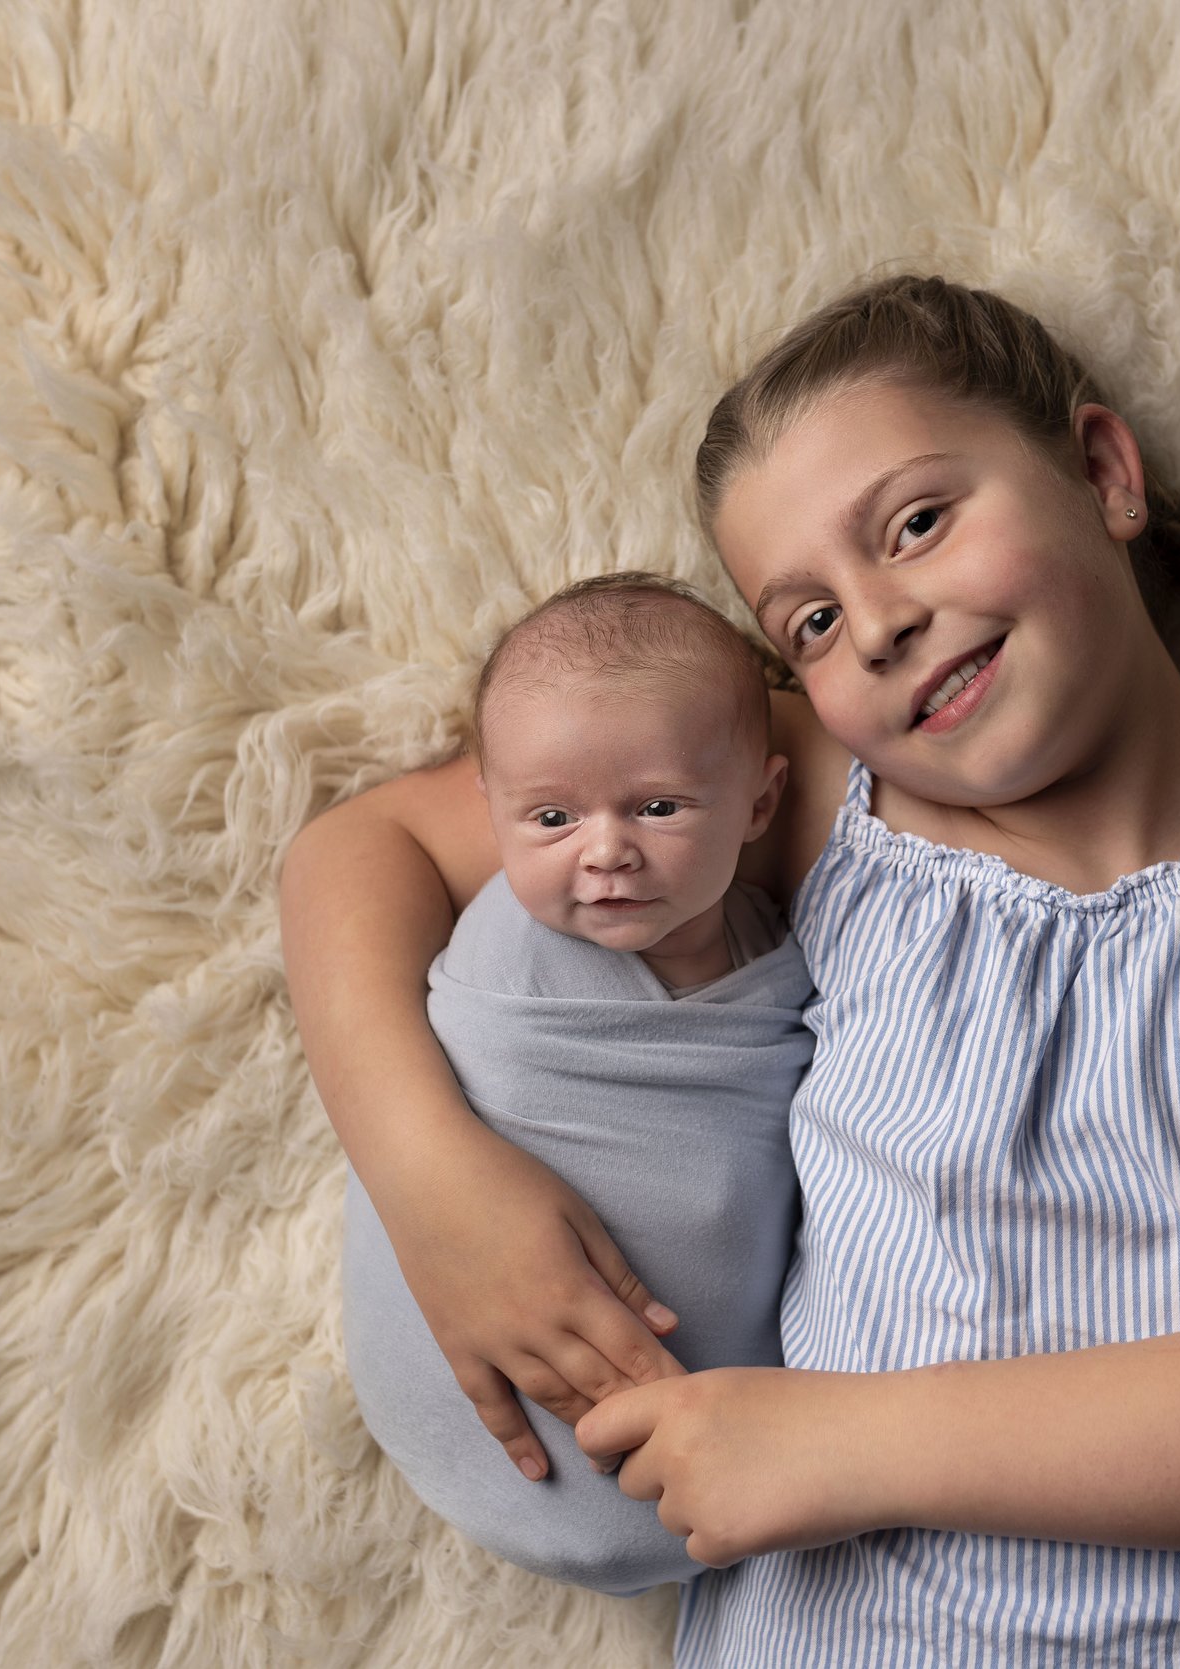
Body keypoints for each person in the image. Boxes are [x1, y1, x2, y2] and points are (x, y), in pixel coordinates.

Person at [280, 274, 1180, 1664]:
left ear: (1104, 474)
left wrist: (844, 1440)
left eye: (920, 524)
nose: (876, 622)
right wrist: (431, 1179)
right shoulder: (821, 804)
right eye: (807, 622)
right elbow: (360, 850)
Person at [337, 573, 813, 1596]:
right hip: (491, 1380)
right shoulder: (500, 955)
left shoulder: (784, 956)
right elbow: (345, 852)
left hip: (743, 1463)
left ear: (759, 801)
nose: (604, 852)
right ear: (492, 813)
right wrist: (430, 1174)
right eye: (550, 817)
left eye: (657, 806)